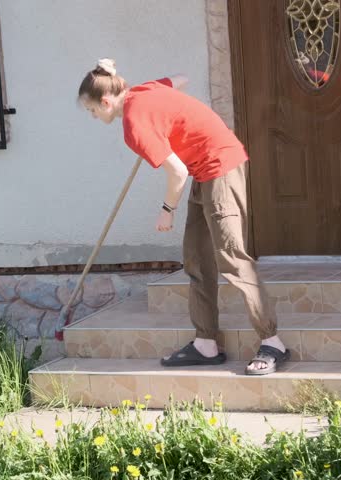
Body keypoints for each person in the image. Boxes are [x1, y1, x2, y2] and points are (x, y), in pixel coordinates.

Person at [77, 59, 289, 375]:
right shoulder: (146, 89)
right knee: (196, 257)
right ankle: (206, 343)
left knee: (231, 257)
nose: (95, 117)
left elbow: (177, 172)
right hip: (204, 171)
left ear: (106, 101)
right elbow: (181, 78)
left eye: (93, 111)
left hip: (220, 166)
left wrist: (167, 211)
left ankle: (273, 342)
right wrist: (162, 117)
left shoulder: (133, 125)